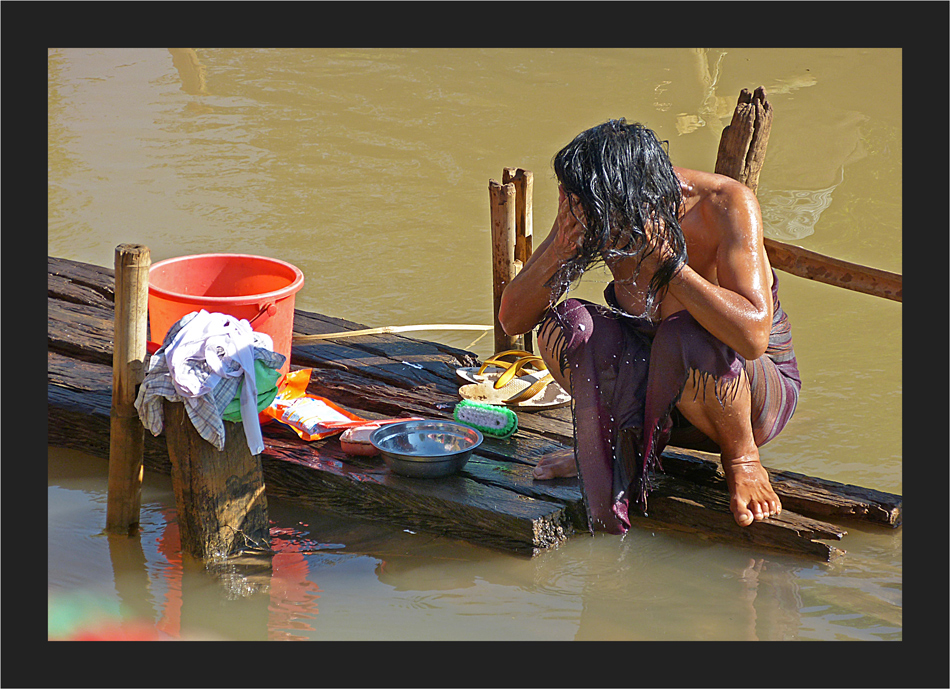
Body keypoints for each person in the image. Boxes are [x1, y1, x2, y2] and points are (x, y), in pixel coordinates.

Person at [498, 119, 801, 532]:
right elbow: (514, 317)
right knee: (568, 325)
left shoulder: (724, 203)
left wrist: (672, 267)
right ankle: (610, 442)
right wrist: (562, 247)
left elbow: (752, 338)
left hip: (741, 400)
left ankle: (742, 461)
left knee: (684, 334)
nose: (593, 221)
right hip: (651, 400)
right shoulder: (590, 205)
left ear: (644, 198)